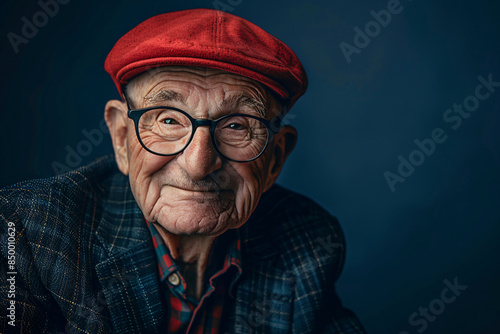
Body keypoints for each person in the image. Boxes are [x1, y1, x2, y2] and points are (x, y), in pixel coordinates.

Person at [0, 8, 365, 334]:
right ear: (122, 138)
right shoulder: (27, 232)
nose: (199, 163)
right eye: (169, 120)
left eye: (237, 126)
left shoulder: (308, 239)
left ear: (276, 158)